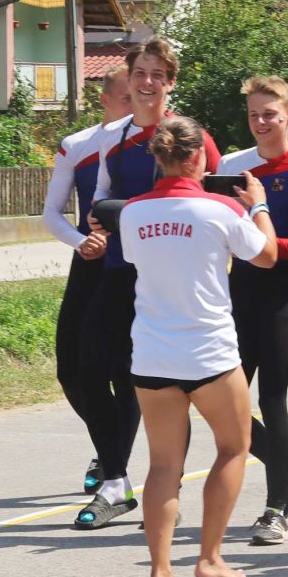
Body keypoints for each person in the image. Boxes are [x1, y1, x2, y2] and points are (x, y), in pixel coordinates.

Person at [119, 116, 278, 577]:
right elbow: (267, 255)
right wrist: (258, 206)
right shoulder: (221, 208)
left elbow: (137, 260)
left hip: (153, 355)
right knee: (233, 447)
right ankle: (209, 557)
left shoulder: (132, 212)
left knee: (163, 465)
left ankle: (160, 571)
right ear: (198, 158)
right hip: (209, 354)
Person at [78, 37, 221, 529]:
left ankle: (168, 494)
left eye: (158, 75)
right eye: (141, 72)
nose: (147, 82)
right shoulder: (113, 137)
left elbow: (215, 200)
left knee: (177, 387)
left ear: (170, 83)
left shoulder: (188, 135)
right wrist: (97, 228)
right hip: (120, 271)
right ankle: (116, 479)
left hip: (171, 280)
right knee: (87, 368)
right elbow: (100, 198)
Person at [216, 76, 288, 545]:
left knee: (271, 399)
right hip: (237, 293)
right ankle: (286, 464)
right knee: (221, 400)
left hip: (281, 293)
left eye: (270, 114)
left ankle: (275, 509)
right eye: (253, 115)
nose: (261, 122)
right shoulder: (233, 168)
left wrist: (263, 244)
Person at [42, 66, 134, 493]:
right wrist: (82, 242)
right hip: (90, 261)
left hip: (134, 264)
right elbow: (51, 213)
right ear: (105, 99)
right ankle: (110, 447)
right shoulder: (77, 145)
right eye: (126, 97)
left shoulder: (153, 142)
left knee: (124, 373)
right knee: (70, 369)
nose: (134, 105)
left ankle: (114, 465)